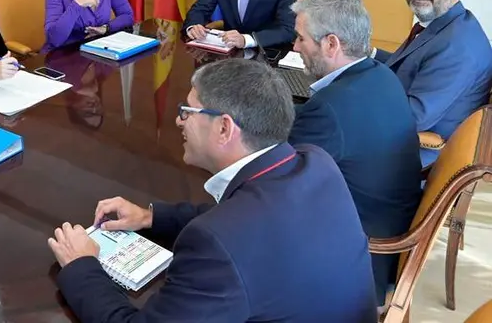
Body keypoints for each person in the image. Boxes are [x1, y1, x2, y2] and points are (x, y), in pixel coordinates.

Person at [47, 59, 378, 322]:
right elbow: (239, 219)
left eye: (187, 112)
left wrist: (81, 265)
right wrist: (151, 217)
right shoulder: (314, 162)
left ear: (224, 128)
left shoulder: (215, 244)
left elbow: (226, 233)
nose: (179, 121)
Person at [288, 0, 423, 307]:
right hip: (385, 221)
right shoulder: (379, 75)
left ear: (331, 43)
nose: (295, 46)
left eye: (301, 38)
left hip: (358, 259)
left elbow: (277, 179)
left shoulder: (331, 107)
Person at [373, 0, 492, 166]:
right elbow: (413, 67)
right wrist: (368, 53)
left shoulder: (457, 45)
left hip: (409, 157)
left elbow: (414, 118)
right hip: (396, 139)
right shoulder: (446, 25)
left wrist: (354, 103)